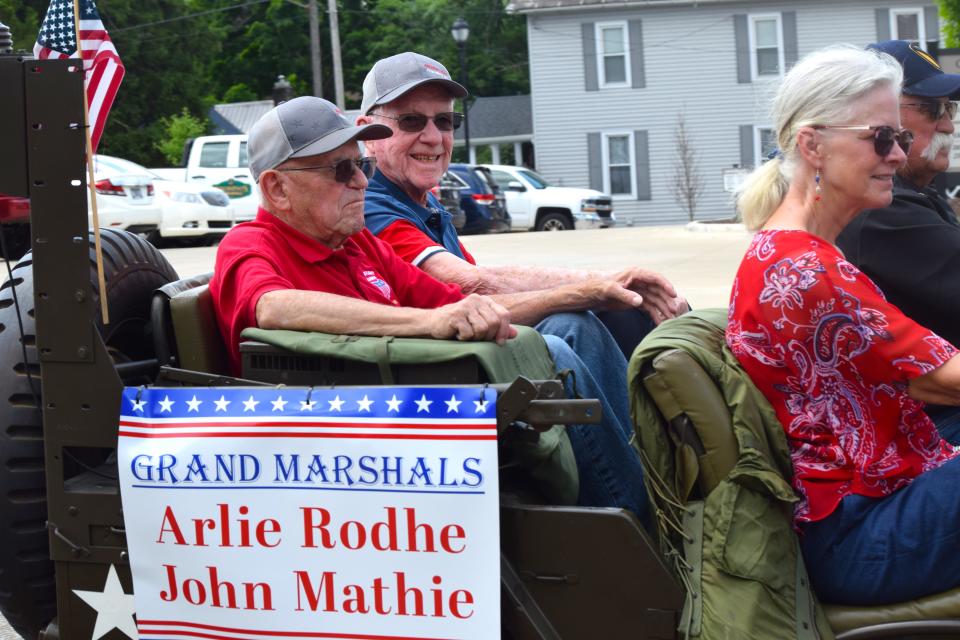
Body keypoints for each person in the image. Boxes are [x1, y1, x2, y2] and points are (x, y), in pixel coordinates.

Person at [209, 96, 649, 518]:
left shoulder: (358, 243)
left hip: (410, 420)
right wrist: (429, 323)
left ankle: (652, 490)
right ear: (277, 188)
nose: (362, 181)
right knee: (556, 353)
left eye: (361, 164)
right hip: (349, 448)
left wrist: (585, 291)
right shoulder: (249, 245)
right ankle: (639, 530)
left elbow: (463, 304)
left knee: (576, 325)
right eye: (341, 170)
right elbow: (273, 307)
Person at [727, 44, 960, 607]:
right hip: (860, 534)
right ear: (813, 145)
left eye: (901, 138)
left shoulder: (790, 250)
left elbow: (923, 381)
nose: (898, 157)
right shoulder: (807, 269)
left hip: (862, 501)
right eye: (882, 137)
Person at [355, 51, 689, 363]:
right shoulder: (368, 205)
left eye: (445, 121)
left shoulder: (421, 202)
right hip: (436, 373)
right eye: (412, 121)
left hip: (463, 353)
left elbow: (485, 287)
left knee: (627, 312)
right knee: (575, 325)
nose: (433, 136)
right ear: (367, 133)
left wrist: (615, 289)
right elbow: (471, 286)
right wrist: (602, 287)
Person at [836, 40, 960, 442]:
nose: (948, 124)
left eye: (950, 108)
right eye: (931, 109)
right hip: (920, 427)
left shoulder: (912, 197)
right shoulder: (879, 211)